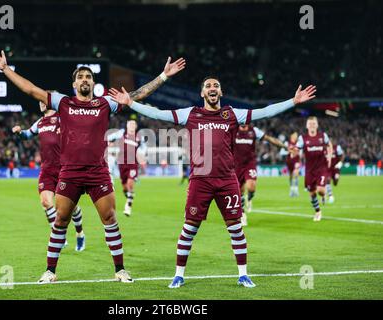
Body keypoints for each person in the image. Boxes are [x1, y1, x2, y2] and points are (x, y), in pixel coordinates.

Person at [0, 48, 185, 283]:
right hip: (69, 172)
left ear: (93, 83)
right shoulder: (63, 102)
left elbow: (137, 94)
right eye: (80, 77)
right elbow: (31, 89)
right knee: (60, 220)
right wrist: (5, 69)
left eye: (88, 77)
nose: (84, 80)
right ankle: (50, 271)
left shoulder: (105, 103)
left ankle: (120, 269)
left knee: (109, 218)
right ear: (74, 84)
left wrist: (163, 76)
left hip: (97, 172)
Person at [109, 79, 316, 289]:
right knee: (189, 228)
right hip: (200, 180)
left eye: (216, 86)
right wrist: (132, 103)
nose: (212, 88)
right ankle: (179, 275)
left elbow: (265, 112)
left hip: (227, 180)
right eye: (208, 86)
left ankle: (243, 275)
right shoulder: (190, 113)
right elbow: (158, 114)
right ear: (202, 94)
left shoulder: (232, 114)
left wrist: (293, 101)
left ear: (221, 91)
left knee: (235, 228)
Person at [12, 100, 85, 252]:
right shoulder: (40, 122)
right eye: (39, 101)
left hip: (64, 168)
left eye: (43, 101)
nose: (41, 103)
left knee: (70, 207)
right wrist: (19, 132)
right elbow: (27, 135)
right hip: (46, 169)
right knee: (46, 202)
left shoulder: (62, 118)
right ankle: (59, 236)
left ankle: (80, 233)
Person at [233, 123, 289, 225]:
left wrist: (284, 146)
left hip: (249, 164)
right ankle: (243, 215)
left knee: (251, 186)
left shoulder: (254, 131)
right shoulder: (233, 130)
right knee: (239, 192)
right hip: (236, 166)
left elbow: (269, 139)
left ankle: (249, 198)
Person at [294, 116, 333, 221]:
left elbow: (329, 145)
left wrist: (329, 156)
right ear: (307, 126)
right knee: (312, 193)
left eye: (313, 123)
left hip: (322, 168)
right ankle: (318, 211)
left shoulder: (323, 136)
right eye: (310, 124)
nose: (312, 125)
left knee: (320, 190)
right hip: (309, 170)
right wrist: (293, 151)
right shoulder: (303, 138)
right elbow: (296, 150)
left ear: (317, 125)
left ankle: (323, 194)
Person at [107, 120, 147, 217]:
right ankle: (130, 196)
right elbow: (109, 138)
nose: (132, 125)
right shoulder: (121, 133)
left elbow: (144, 148)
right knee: (125, 187)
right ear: (127, 125)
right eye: (130, 124)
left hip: (133, 163)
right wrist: (109, 143)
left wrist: (142, 156)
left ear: (136, 126)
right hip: (122, 164)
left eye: (134, 124)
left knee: (130, 184)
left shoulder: (139, 137)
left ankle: (128, 206)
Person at [283, 132, 302, 197]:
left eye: (296, 135)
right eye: (295, 135)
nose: (296, 136)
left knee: (296, 173)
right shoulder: (287, 143)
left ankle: (296, 190)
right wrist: (290, 151)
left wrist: (293, 151)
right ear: (291, 136)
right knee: (291, 175)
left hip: (296, 160)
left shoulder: (298, 143)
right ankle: (291, 190)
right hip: (289, 161)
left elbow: (299, 152)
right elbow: (283, 151)